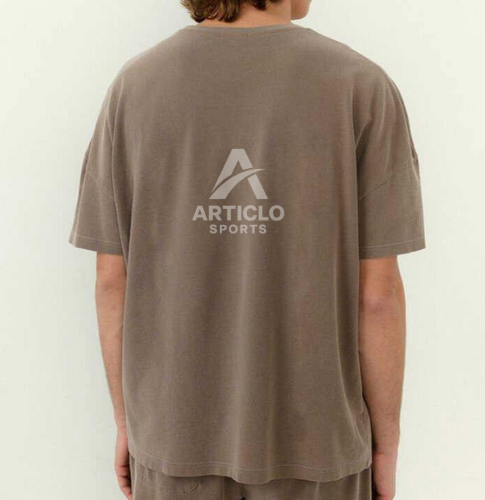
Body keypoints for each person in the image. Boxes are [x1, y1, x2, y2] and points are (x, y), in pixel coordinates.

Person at [69, 1, 425, 498]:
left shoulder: (135, 86)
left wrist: (128, 423)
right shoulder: (361, 86)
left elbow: (112, 279)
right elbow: (378, 296)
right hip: (317, 446)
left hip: (173, 438)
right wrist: (385, 447)